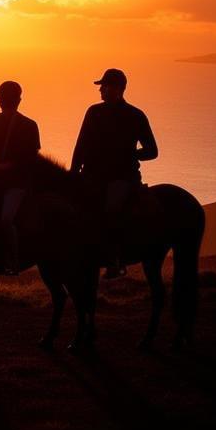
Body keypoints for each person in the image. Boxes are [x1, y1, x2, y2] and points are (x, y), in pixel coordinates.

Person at [71, 68, 158, 278]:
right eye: (102, 86)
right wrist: (73, 175)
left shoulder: (136, 116)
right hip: (93, 176)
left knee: (112, 208)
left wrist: (131, 155)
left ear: (119, 89)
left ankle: (115, 259)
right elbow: (81, 146)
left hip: (122, 177)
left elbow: (152, 151)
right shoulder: (93, 112)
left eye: (105, 86)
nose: (101, 90)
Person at [0, 81, 40, 274]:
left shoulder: (26, 126)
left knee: (5, 220)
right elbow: (31, 160)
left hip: (16, 186)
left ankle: (13, 261)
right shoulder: (28, 125)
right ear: (19, 100)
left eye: (1, 96)